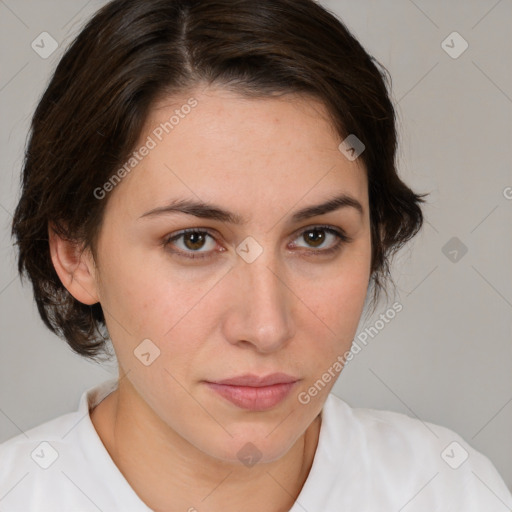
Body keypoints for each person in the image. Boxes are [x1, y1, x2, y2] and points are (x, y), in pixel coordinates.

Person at [1, 0, 511, 510]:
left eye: (316, 237)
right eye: (194, 240)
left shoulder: (447, 490)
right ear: (75, 255)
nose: (266, 327)